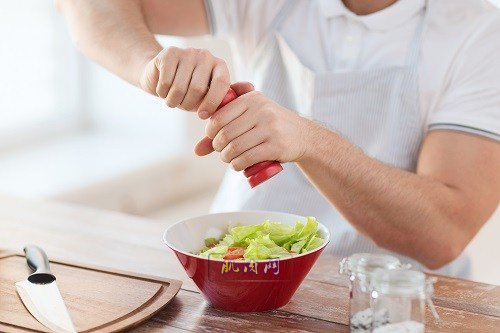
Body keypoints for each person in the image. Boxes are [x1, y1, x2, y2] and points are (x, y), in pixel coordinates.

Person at [57, 0, 500, 277]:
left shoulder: (480, 34)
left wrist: (308, 140)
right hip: (240, 273)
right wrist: (152, 66)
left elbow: (443, 234)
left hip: (390, 297)